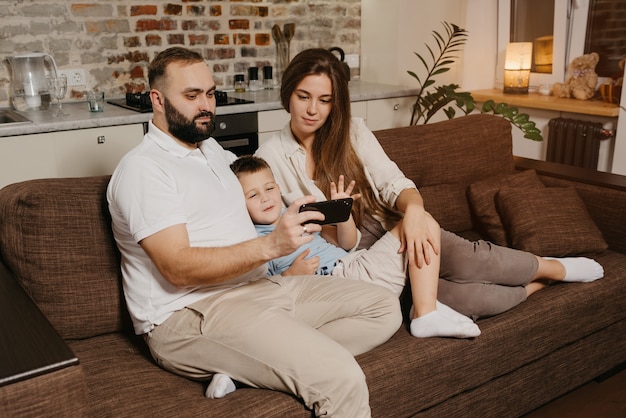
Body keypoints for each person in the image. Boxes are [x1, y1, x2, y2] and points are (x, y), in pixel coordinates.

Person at [106, 46, 402, 417]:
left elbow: (264, 203)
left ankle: (253, 364)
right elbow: (176, 267)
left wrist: (305, 217)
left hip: (259, 291)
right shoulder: (144, 170)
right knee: (341, 376)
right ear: (158, 100)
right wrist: (271, 246)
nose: (206, 106)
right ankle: (276, 359)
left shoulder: (213, 151)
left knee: (383, 306)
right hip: (189, 314)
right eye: (192, 95)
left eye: (211, 94)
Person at [255, 48, 605, 319]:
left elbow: (393, 183)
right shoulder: (270, 157)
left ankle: (551, 266)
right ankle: (536, 284)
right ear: (289, 94)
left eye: (325, 100)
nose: (313, 109)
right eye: (304, 96)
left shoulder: (353, 131)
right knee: (466, 300)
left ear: (336, 103)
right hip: (356, 257)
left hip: (391, 225)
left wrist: (416, 213)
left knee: (471, 260)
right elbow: (291, 231)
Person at [231, 154, 480, 339]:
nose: (265, 198)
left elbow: (346, 243)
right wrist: (289, 275)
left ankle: (425, 308)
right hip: (339, 282)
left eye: (269, 188)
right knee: (424, 221)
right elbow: (261, 292)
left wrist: (343, 215)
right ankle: (425, 312)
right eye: (252, 195)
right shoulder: (254, 239)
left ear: (278, 187)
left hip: (355, 266)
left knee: (422, 221)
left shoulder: (296, 211)